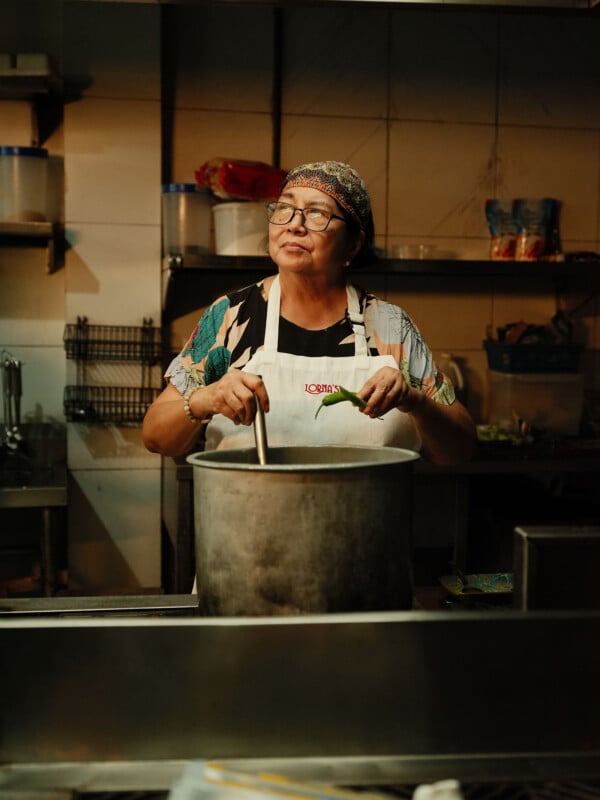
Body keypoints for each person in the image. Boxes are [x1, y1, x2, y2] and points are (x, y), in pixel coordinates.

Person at [143, 161, 477, 465]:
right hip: (247, 518)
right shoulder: (231, 316)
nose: (294, 225)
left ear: (352, 243)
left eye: (317, 214)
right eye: (285, 208)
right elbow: (156, 435)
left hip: (369, 523)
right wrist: (205, 399)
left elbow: (462, 450)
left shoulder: (390, 326)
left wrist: (415, 402)